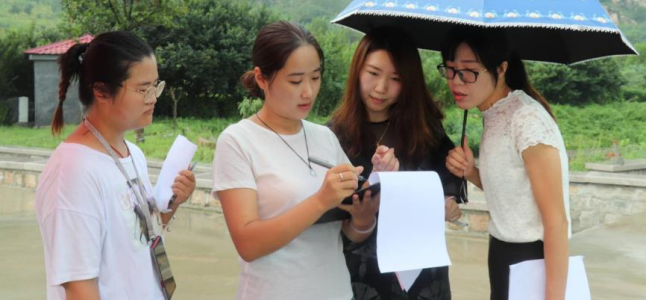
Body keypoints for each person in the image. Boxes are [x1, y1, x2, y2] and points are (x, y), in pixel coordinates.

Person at [211, 21, 398, 300]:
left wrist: (366, 210)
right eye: (296, 81)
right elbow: (248, 244)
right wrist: (321, 200)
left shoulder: (325, 137)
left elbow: (347, 234)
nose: (308, 91)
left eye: (315, 77)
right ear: (262, 78)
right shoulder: (238, 141)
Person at [35, 31, 196, 300]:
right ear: (101, 91)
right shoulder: (73, 173)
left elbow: (139, 236)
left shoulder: (132, 154)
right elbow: (79, 287)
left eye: (155, 86)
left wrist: (173, 202)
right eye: (143, 89)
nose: (153, 97)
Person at [330, 27, 464, 300]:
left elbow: (448, 182)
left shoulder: (426, 129)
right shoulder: (333, 136)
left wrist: (448, 201)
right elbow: (327, 219)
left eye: (395, 79)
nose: (381, 88)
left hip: (424, 277)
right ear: (357, 70)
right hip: (362, 276)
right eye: (373, 73)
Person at [441, 28, 571, 300]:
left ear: (501, 69)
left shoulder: (527, 120)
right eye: (450, 69)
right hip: (502, 253)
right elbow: (514, 194)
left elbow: (556, 221)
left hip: (530, 259)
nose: (455, 82)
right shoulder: (494, 112)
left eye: (468, 71)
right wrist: (471, 172)